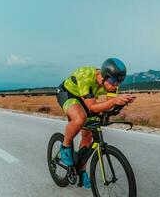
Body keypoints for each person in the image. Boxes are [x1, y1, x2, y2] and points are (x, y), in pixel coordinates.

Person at [56, 58, 135, 188]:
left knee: (88, 134)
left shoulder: (112, 84)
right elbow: (93, 107)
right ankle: (65, 147)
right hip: (68, 93)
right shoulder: (86, 76)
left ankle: (81, 169)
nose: (115, 86)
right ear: (104, 76)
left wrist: (121, 103)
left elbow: (108, 106)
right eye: (114, 81)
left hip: (87, 99)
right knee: (80, 118)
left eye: (119, 82)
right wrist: (115, 101)